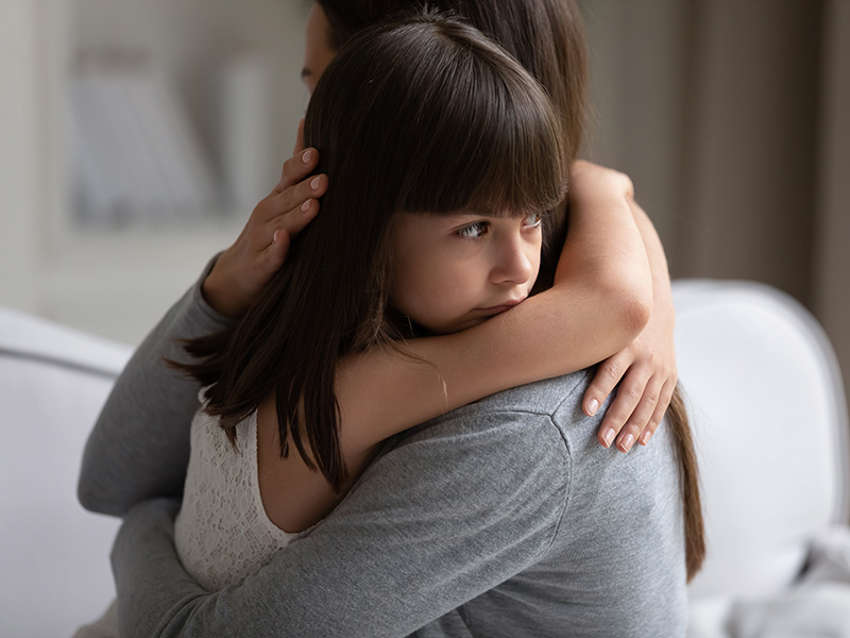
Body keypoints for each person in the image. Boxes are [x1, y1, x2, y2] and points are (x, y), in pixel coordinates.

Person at [75, 4, 704, 637]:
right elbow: (111, 477)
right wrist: (224, 287)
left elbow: (129, 501)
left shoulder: (524, 422)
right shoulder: (381, 336)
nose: (309, 134)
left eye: (322, 84)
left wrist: (143, 528)